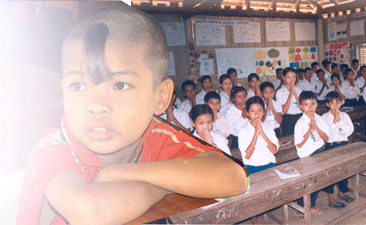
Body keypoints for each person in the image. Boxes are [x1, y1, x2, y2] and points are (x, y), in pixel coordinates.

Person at [16, 6, 248, 225]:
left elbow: (234, 177)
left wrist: (122, 173)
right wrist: (169, 182)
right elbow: (92, 210)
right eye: (78, 85)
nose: (97, 106)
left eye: (120, 85)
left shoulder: (156, 134)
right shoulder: (53, 148)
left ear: (160, 97)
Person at [238, 96, 279, 225]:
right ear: (247, 113)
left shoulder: (268, 128)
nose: (256, 115)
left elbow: (274, 151)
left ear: (264, 112)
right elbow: (247, 156)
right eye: (252, 111)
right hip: (253, 168)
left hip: (269, 165)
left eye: (260, 111)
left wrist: (262, 133)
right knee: (253, 199)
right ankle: (254, 219)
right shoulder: (243, 131)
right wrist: (256, 134)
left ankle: (265, 210)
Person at [294, 91, 329, 220]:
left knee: (317, 182)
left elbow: (326, 137)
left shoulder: (320, 119)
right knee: (307, 184)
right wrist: (310, 129)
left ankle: (311, 205)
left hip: (319, 152)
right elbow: (299, 144)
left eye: (313, 104)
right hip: (307, 156)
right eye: (306, 104)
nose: (310, 107)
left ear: (317, 104)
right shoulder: (300, 123)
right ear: (301, 106)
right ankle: (301, 208)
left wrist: (316, 127)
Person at [322, 91, 354, 209]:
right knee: (331, 172)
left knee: (343, 169)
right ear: (327, 104)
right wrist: (335, 121)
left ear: (341, 103)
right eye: (332, 103)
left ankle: (342, 192)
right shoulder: (324, 117)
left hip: (343, 144)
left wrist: (340, 119)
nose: (335, 106)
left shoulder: (345, 116)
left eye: (337, 102)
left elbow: (349, 132)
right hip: (331, 146)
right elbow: (327, 135)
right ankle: (330, 197)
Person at [276, 67, 302, 137]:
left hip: (300, 118)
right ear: (283, 77)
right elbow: (284, 110)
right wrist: (291, 93)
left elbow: (302, 108)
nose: (292, 80)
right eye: (289, 77)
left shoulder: (299, 90)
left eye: (294, 77)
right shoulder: (280, 92)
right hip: (288, 120)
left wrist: (295, 93)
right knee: (290, 142)